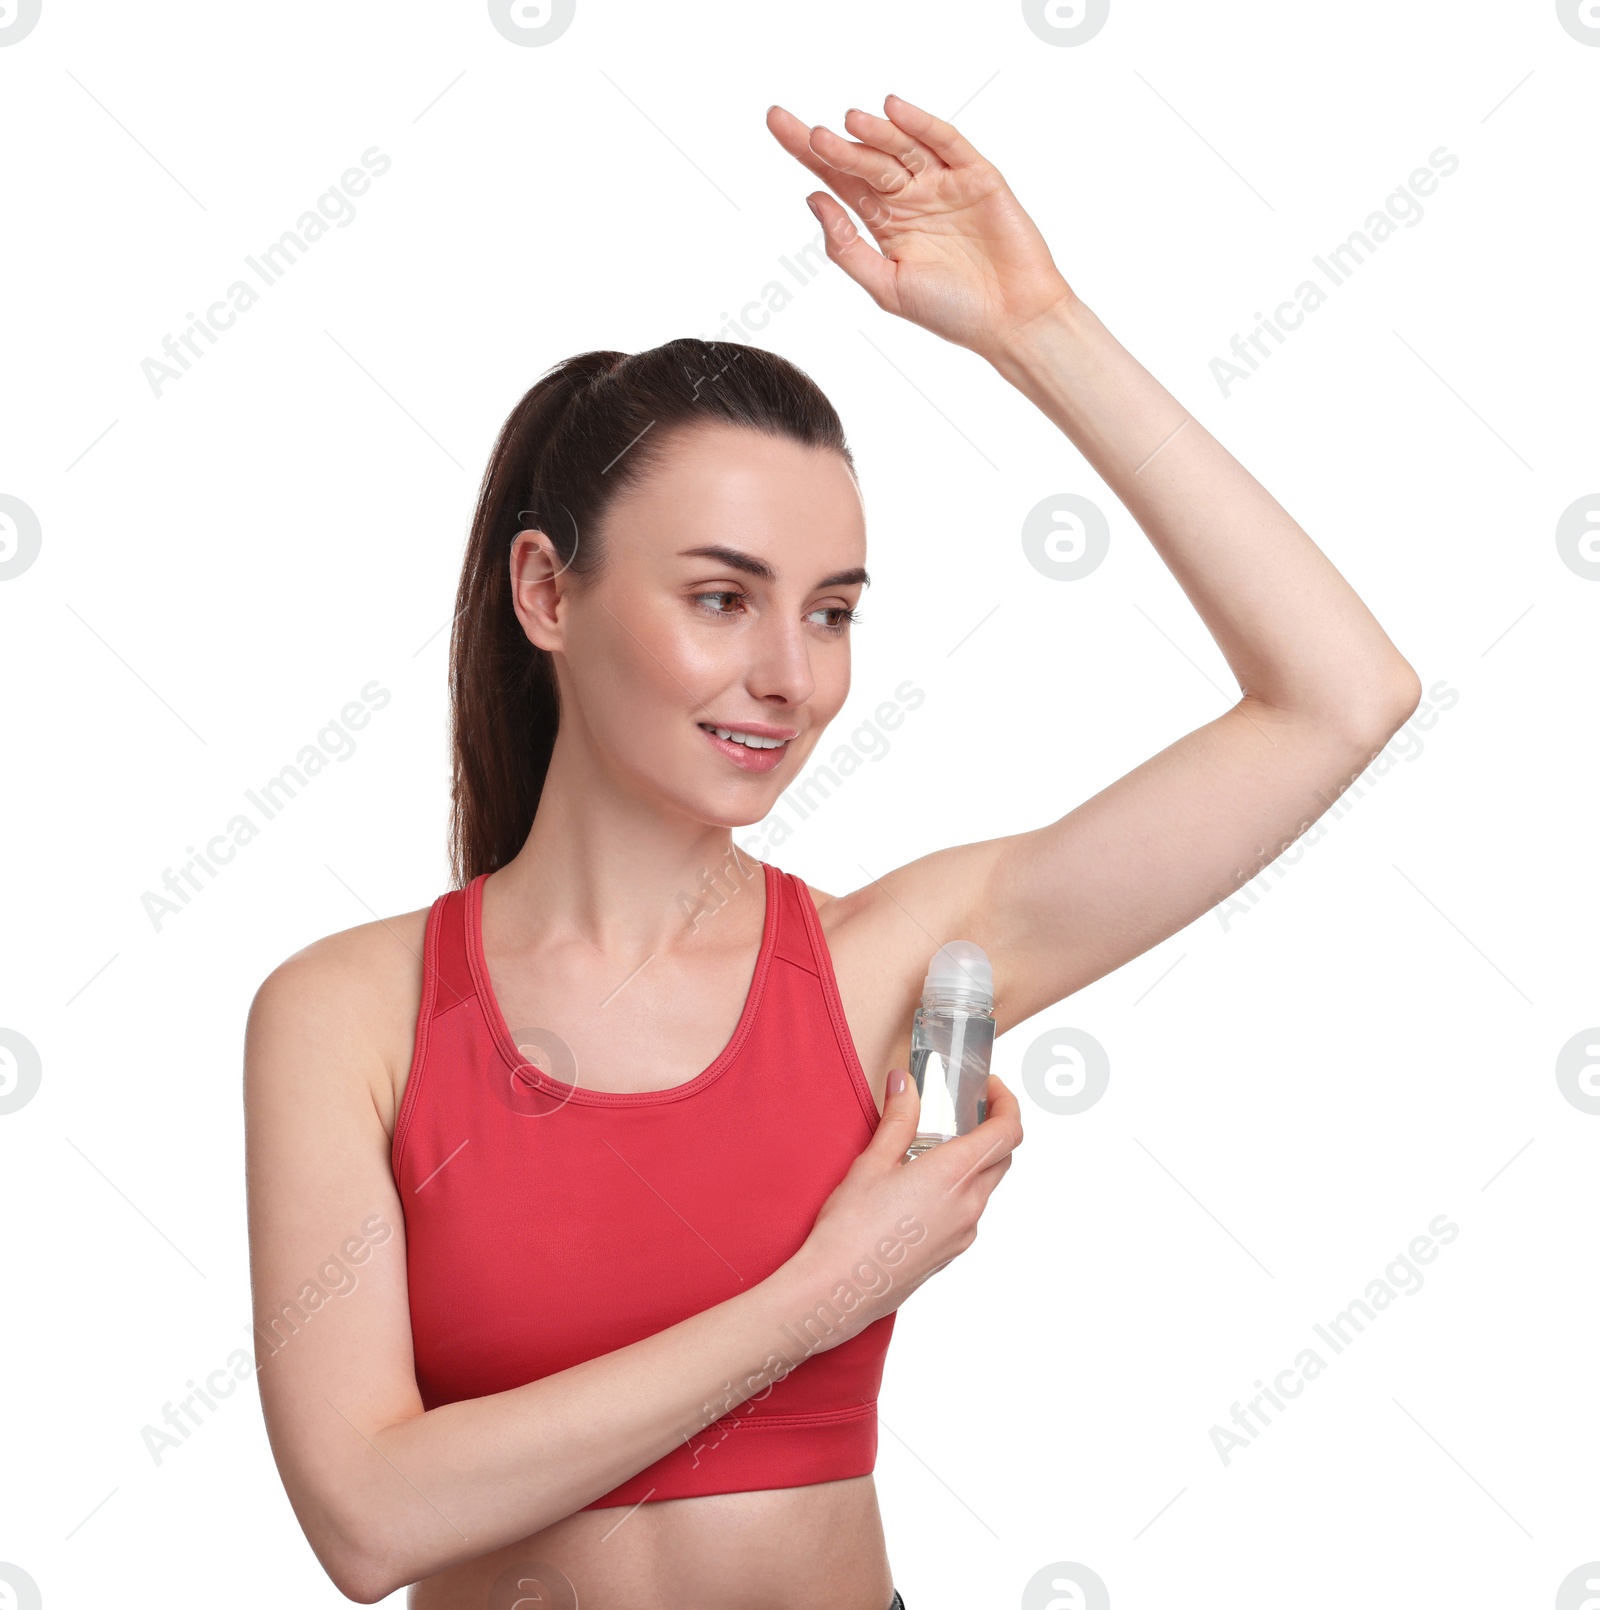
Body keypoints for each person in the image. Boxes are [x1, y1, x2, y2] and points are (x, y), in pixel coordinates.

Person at [243, 93, 1420, 1608]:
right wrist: (828, 1290)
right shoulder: (345, 1014)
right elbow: (367, 1517)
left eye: (834, 609)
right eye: (722, 598)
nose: (794, 676)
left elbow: (1341, 696)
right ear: (548, 591)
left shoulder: (894, 962)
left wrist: (1037, 327)